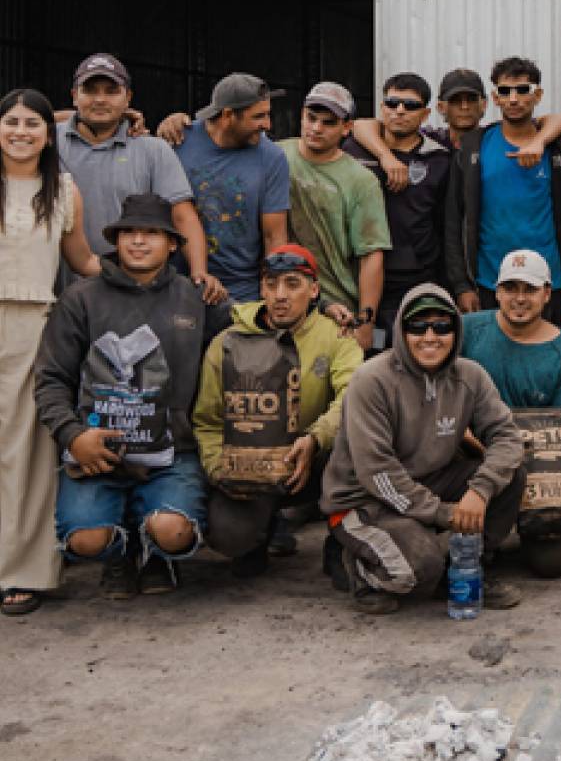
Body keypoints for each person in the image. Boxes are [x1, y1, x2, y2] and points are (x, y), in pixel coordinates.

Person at [32, 193, 226, 605]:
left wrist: (330, 312)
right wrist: (72, 436)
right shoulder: (81, 298)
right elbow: (50, 379)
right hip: (96, 454)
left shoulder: (198, 298)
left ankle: (158, 552)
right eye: (129, 233)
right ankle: (120, 553)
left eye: (152, 233)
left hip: (172, 452)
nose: (139, 241)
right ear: (117, 241)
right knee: (85, 540)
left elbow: (254, 331)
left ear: (173, 244)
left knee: (174, 532)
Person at [321, 284, 527, 615]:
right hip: (364, 500)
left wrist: (480, 490)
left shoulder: (470, 375)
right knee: (420, 570)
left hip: (428, 482)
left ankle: (467, 565)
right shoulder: (371, 380)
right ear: (402, 330)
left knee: (511, 475)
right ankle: (360, 568)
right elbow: (378, 472)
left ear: (455, 331)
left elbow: (507, 436)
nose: (430, 336)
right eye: (418, 326)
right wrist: (445, 514)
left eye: (442, 326)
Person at [194, 244, 362, 581]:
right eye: (271, 284)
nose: (280, 295)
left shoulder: (337, 336)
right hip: (251, 466)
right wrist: (219, 470)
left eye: (292, 284)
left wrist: (316, 439)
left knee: (361, 444)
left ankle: (341, 540)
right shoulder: (226, 342)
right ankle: (258, 534)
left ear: (314, 290)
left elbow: (353, 397)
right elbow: (206, 420)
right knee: (229, 535)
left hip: (316, 462)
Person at [1, 89, 100, 615]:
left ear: (49, 134)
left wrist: (141, 276)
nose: (21, 132)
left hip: (32, 328)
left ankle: (24, 570)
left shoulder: (62, 190)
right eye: (11, 121)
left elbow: (81, 258)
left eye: (33, 124)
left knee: (27, 454)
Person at [59, 53, 225, 304]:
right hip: (55, 290)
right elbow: (16, 121)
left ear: (128, 98)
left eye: (112, 91)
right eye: (90, 91)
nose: (100, 99)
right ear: (74, 96)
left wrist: (199, 272)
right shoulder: (48, 141)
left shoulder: (153, 150)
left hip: (132, 292)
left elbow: (182, 215)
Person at [459, 248, 561, 577]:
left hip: (535, 462)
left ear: (547, 293)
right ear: (497, 291)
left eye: (529, 289)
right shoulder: (466, 330)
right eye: (510, 288)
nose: (519, 298)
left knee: (551, 564)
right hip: (468, 454)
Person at [446, 58, 561, 324]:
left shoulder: (558, 151)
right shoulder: (473, 148)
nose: (513, 99)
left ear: (537, 95)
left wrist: (540, 142)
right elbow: (453, 220)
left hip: (545, 281)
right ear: (494, 98)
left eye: (522, 90)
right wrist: (462, 285)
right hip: (489, 281)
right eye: (505, 91)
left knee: (545, 356)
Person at [158, 73, 290, 303]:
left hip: (241, 293)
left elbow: (275, 236)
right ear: (228, 115)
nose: (267, 125)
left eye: (268, 114)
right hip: (178, 286)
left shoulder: (272, 158)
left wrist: (271, 293)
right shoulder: (179, 140)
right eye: (258, 116)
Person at [276, 82, 389, 352]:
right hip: (281, 299)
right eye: (311, 118)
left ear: (346, 128)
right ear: (301, 114)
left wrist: (365, 322)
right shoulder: (275, 156)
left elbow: (372, 255)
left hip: (338, 310)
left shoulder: (361, 181)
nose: (316, 128)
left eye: (328, 122)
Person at [343, 74, 450, 347]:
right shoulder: (354, 149)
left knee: (405, 352)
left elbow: (445, 225)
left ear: (426, 114)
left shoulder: (439, 159)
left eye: (410, 106)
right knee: (363, 353)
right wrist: (385, 157)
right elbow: (357, 126)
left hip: (413, 281)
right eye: (392, 103)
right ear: (381, 108)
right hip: (357, 278)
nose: (399, 110)